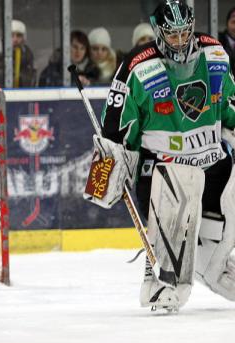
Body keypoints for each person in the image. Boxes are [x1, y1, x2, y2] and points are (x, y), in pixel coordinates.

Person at [83, 0, 235, 312]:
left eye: (184, 33)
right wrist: (103, 175)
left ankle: (215, 268)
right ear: (158, 31)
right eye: (172, 34)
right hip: (161, 170)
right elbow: (114, 129)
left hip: (212, 164)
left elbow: (228, 105)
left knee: (215, 251)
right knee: (181, 188)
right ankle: (159, 279)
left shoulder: (215, 54)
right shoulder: (138, 66)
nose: (179, 40)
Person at [0, 19, 36, 87]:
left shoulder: (28, 61)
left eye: (19, 35)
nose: (15, 39)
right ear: (4, 37)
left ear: (23, 38)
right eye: (11, 35)